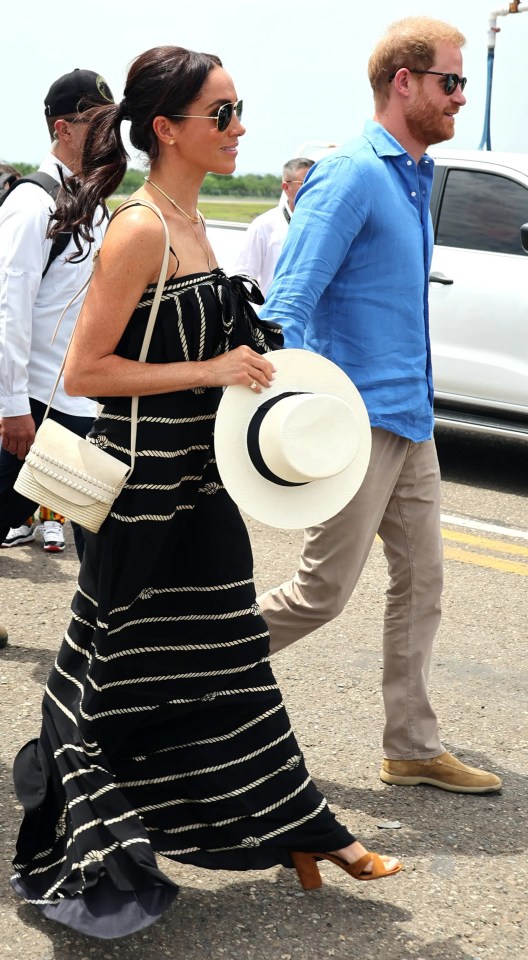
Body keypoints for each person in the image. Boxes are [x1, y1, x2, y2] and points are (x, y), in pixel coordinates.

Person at [10, 46, 401, 940]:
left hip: (200, 488)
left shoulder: (193, 220)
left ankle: (310, 831)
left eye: (237, 111)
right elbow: (88, 369)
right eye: (221, 115)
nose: (239, 128)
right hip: (141, 500)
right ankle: (97, 844)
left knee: (232, 668)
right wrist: (213, 363)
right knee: (109, 679)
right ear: (166, 129)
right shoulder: (141, 226)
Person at [257, 16, 502, 795]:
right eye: (450, 82)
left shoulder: (415, 174)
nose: (462, 96)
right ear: (405, 82)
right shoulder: (353, 172)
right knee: (320, 595)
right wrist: (275, 416)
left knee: (423, 580)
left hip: (413, 417)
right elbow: (291, 299)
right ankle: (178, 672)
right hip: (355, 422)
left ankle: (411, 744)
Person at [0, 68, 114, 564]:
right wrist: (11, 408)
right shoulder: (33, 204)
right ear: (62, 129)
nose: (107, 135)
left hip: (79, 403)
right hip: (33, 406)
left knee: (96, 533)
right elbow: (9, 308)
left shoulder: (96, 205)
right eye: (95, 123)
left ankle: (93, 636)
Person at [233, 157, 314, 296]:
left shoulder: (329, 225)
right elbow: (243, 278)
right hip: (274, 314)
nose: (313, 189)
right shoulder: (265, 225)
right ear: (286, 187)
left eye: (316, 183)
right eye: (305, 183)